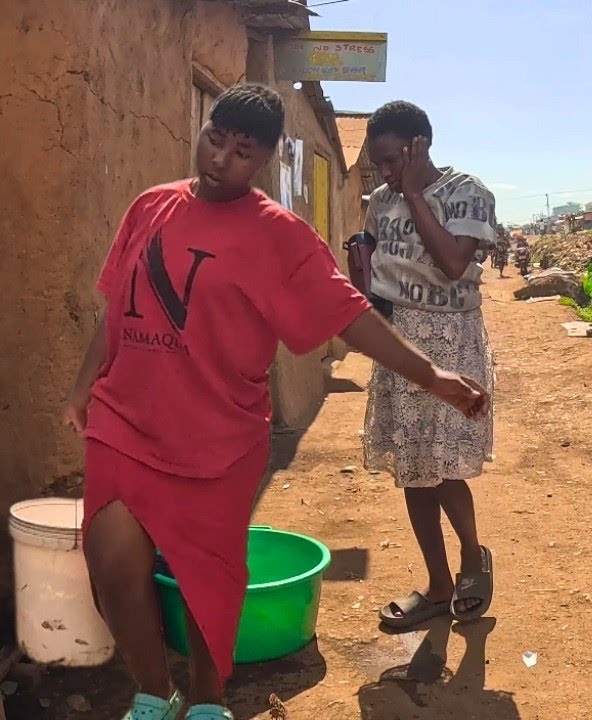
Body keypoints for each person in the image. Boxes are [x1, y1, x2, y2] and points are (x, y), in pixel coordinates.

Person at [62, 84, 488, 720]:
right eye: (215, 139)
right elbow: (117, 306)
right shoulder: (150, 206)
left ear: (262, 160)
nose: (220, 159)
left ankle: (207, 699)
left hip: (216, 435)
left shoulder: (277, 235)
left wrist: (433, 376)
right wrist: (83, 383)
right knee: (111, 556)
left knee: (208, 576)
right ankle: (153, 692)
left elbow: (350, 316)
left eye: (241, 151)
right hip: (126, 418)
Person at [361, 101, 499, 629]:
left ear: (420, 147)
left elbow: (453, 262)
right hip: (399, 344)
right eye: (380, 167)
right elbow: (373, 266)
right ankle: (438, 585)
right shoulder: (379, 202)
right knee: (412, 470)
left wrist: (415, 194)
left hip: (450, 343)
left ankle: (471, 557)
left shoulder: (467, 192)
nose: (387, 175)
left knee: (442, 466)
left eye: (394, 161)